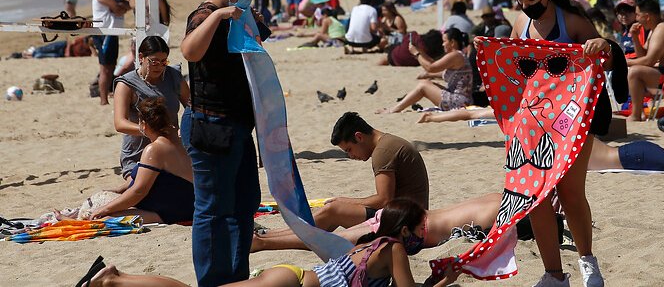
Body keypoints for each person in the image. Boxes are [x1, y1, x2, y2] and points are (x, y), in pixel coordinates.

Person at [502, 0, 610, 287]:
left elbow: (604, 57)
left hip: (573, 119)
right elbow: (511, 68)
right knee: (535, 196)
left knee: (571, 192)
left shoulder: (572, 21)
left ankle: (587, 261)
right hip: (533, 121)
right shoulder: (521, 23)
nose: (524, 5)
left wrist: (599, 43)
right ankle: (553, 273)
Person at [83, 199, 461, 287]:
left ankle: (118, 278)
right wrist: (446, 280)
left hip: (292, 277)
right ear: (404, 230)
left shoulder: (371, 244)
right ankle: (114, 279)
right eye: (418, 230)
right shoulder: (393, 249)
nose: (420, 238)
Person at [180, 0, 272, 286]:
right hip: (209, 126)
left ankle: (236, 275)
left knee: (245, 203)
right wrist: (218, 17)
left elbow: (257, 45)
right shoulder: (204, 15)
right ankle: (213, 279)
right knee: (211, 209)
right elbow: (189, 50)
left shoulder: (237, 13)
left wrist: (250, 19)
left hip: (236, 127)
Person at [253, 193, 501, 254]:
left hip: (402, 214)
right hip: (411, 229)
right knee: (327, 241)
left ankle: (265, 236)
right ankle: (262, 244)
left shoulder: (495, 197)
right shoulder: (502, 211)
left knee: (327, 236)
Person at [314, 113, 429, 231]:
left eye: (349, 150)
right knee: (331, 215)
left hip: (408, 224)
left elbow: (384, 200)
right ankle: (299, 236)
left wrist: (344, 201)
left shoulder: (382, 152)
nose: (351, 156)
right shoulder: (389, 142)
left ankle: (296, 237)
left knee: (333, 210)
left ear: (359, 137)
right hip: (411, 216)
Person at [87, 97, 194, 224]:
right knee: (106, 211)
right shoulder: (179, 141)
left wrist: (104, 209)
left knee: (105, 218)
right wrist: (118, 190)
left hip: (174, 210)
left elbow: (138, 191)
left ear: (143, 124)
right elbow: (145, 179)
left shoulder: (154, 149)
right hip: (187, 204)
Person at [113, 36, 190, 180]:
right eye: (154, 61)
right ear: (141, 57)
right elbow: (120, 124)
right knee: (141, 191)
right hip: (138, 154)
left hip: (172, 149)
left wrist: (184, 128)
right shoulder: (127, 85)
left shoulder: (173, 76)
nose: (159, 67)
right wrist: (153, 131)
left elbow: (192, 107)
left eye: (163, 62)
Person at [379, 28, 472, 114]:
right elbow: (433, 64)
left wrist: (416, 53)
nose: (443, 44)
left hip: (459, 102)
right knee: (428, 83)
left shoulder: (455, 55)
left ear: (452, 42)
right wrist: (421, 53)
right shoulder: (459, 55)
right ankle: (396, 108)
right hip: (463, 100)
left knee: (423, 85)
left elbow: (431, 67)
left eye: (444, 41)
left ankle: (394, 109)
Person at [92, 0, 130, 106]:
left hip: (112, 32)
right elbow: (117, 8)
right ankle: (103, 99)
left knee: (111, 66)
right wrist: (118, 7)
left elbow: (127, 5)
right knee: (105, 68)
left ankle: (106, 94)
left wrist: (119, 6)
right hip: (104, 32)